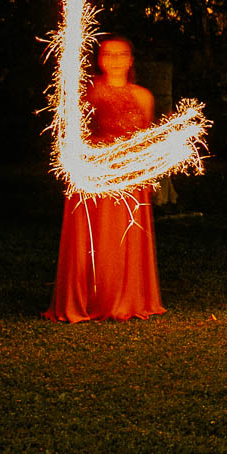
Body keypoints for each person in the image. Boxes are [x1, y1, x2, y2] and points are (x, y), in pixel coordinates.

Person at [44, 36, 166, 322]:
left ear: (131, 59)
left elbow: (144, 139)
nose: (115, 59)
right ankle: (90, 298)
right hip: (93, 176)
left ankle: (125, 297)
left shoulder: (144, 96)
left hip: (130, 179)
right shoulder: (87, 93)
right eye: (108, 54)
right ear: (99, 59)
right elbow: (75, 134)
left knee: (124, 240)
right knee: (94, 238)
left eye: (121, 53)